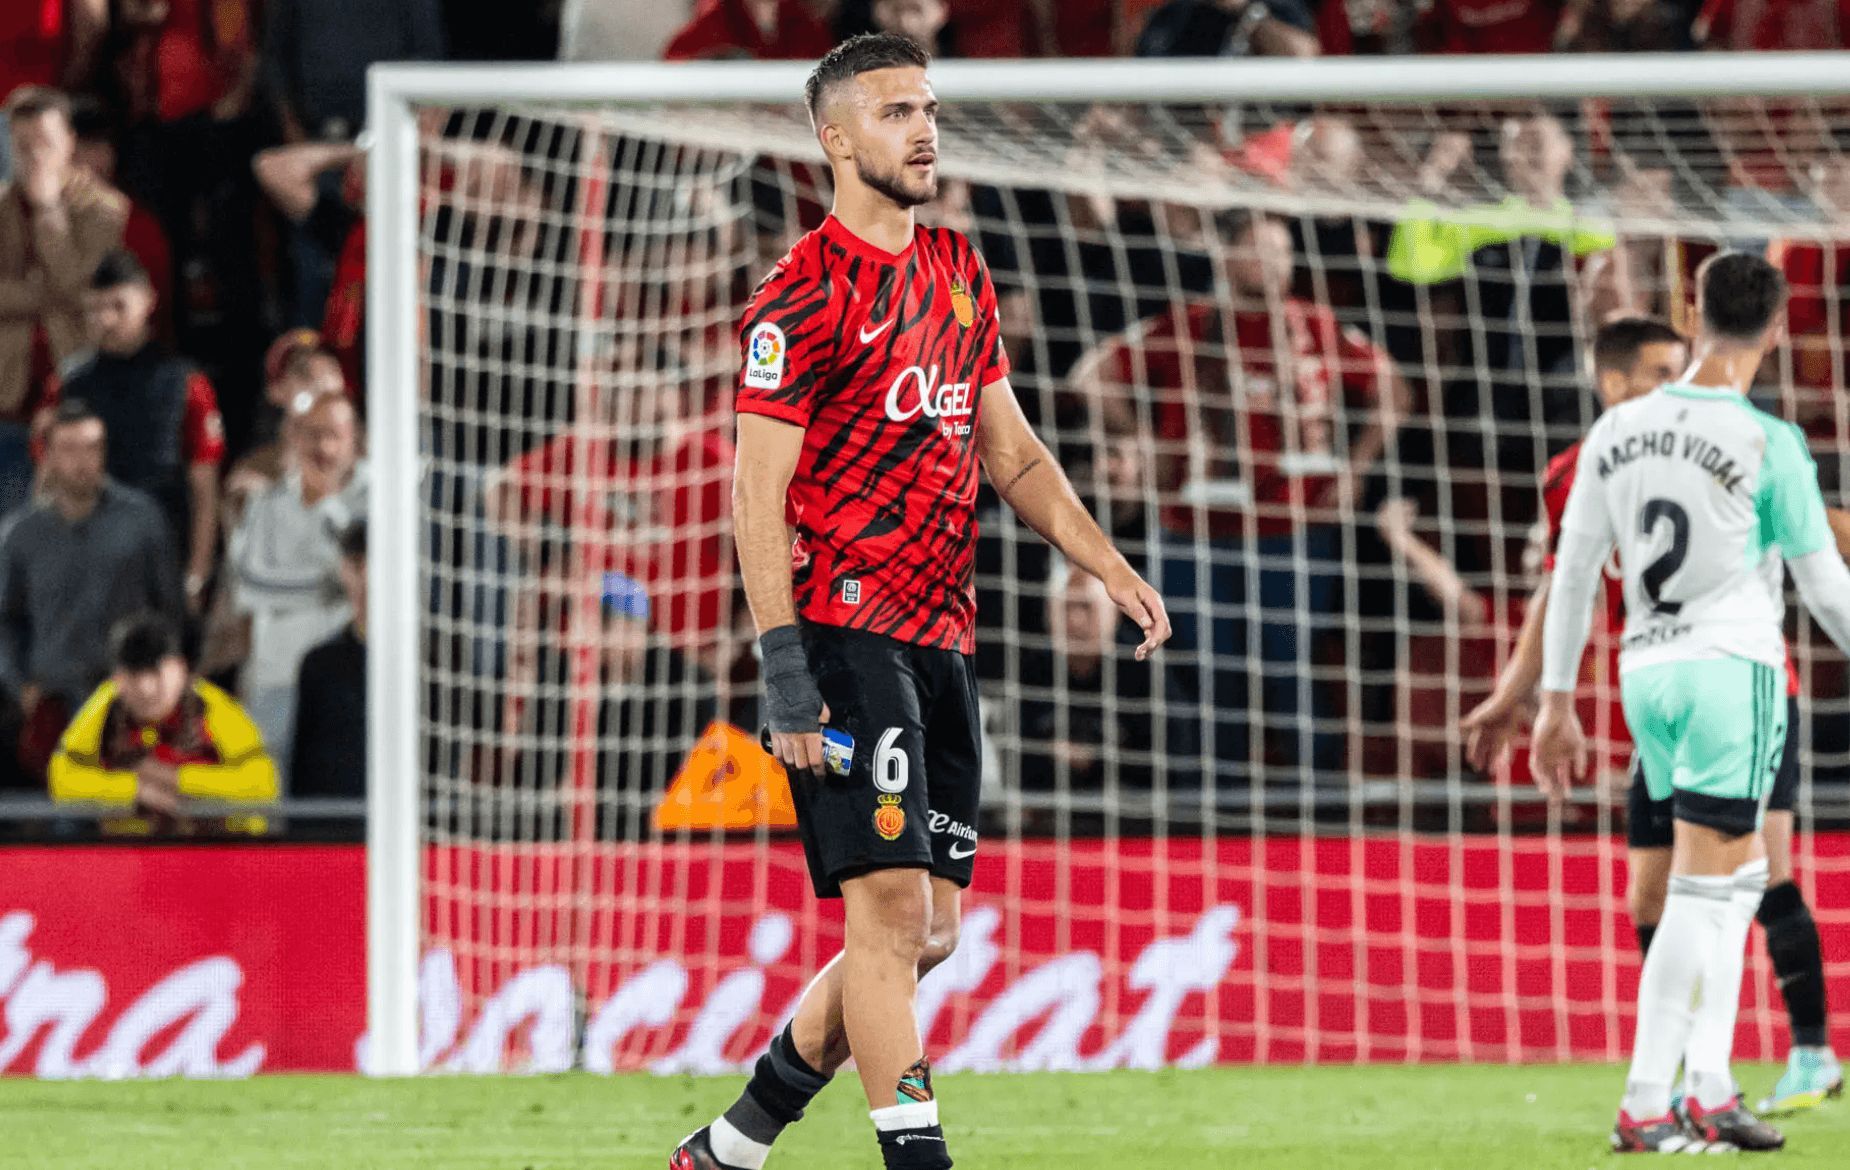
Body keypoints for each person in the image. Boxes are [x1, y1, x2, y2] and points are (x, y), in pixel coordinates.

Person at [673, 34, 1170, 1170]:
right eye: (895, 112)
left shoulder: (956, 270)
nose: (924, 130)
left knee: (928, 933)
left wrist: (1107, 565)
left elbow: (1014, 454)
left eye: (929, 109)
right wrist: (784, 667)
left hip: (943, 636)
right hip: (844, 636)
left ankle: (734, 1143)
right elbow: (755, 493)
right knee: (891, 917)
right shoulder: (798, 296)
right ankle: (917, 1160)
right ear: (834, 138)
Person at [1471, 315, 1848, 1117]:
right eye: (1659, 372)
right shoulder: (1585, 466)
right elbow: (1564, 586)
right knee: (1652, 896)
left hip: (1750, 687)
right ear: (1611, 381)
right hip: (1667, 694)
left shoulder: (1732, 442)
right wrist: (1520, 694)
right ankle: (1675, 1075)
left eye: (1681, 368)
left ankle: (1806, 1054)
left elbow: (1816, 539)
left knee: (1757, 874)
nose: (1677, 386)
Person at [1069, 209, 1409, 782]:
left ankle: (1316, 801)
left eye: (1284, 251)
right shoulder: (1187, 326)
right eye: (1262, 250)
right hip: (1193, 536)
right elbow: (1090, 375)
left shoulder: (1316, 326)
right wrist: (1141, 440)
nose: (1277, 264)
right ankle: (1210, 804)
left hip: (1291, 534)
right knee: (1209, 675)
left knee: (1289, 670)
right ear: (1227, 257)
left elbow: (1395, 390)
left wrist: (1356, 468)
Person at [0, 401, 182, 777]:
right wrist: (20, 685)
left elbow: (169, 609)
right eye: (69, 449)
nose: (82, 461)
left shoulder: (142, 521)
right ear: (48, 455)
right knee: (55, 805)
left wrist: (162, 681)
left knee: (129, 804)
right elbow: (5, 620)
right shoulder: (22, 534)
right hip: (53, 699)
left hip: (128, 697)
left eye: (92, 447)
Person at [40, 249, 223, 606]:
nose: (106, 320)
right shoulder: (66, 386)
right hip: (86, 558)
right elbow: (47, 482)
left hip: (161, 555)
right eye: (95, 309)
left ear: (147, 301)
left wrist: (196, 576)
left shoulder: (186, 383)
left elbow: (205, 490)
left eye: (118, 306)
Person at [0, 86, 126, 514]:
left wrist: (49, 211)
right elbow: (66, 292)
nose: (34, 157)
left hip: (77, 411)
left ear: (70, 142)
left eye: (45, 144)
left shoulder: (105, 209)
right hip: (8, 407)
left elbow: (85, 290)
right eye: (22, 145)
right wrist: (53, 296)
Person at [226, 390, 365, 778]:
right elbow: (249, 584)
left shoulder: (373, 498)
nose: (323, 447)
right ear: (295, 438)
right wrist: (328, 586)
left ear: (354, 439)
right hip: (276, 675)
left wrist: (327, 504)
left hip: (345, 677)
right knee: (271, 788)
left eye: (334, 434)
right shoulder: (267, 502)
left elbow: (359, 579)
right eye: (312, 434)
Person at [48, 611, 276, 833]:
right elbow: (63, 779)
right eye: (133, 676)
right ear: (117, 678)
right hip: (132, 850)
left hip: (213, 849)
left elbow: (262, 785)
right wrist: (136, 789)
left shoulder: (210, 706)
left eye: (156, 673)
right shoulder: (107, 705)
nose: (146, 689)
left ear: (180, 670)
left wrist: (177, 779)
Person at [292, 519, 366, 798]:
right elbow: (304, 768)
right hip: (336, 819)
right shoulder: (319, 665)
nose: (367, 578)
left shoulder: (432, 661)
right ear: (344, 570)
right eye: (357, 565)